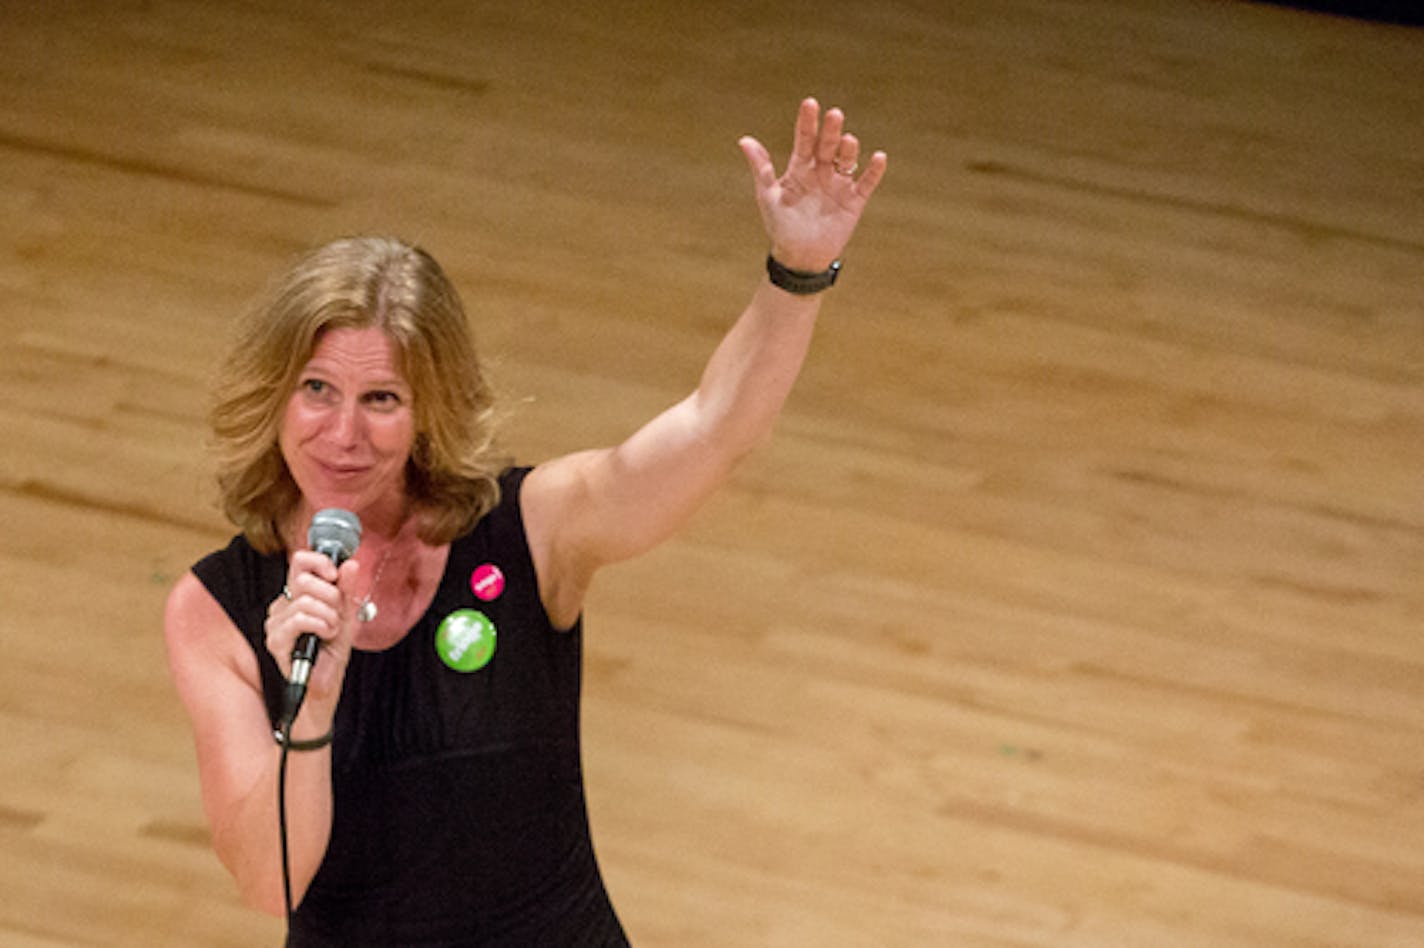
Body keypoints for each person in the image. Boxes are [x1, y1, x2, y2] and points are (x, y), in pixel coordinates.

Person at [164, 97, 887, 946]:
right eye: (317, 390)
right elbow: (267, 880)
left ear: (430, 410)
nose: (344, 434)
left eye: (382, 400)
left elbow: (712, 430)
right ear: (274, 393)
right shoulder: (214, 611)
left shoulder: (534, 530)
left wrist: (797, 273)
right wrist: (313, 707)